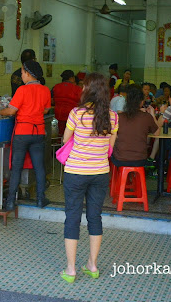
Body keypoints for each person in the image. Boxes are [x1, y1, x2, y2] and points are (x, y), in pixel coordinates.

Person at [60, 73, 118, 283]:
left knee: (72, 217)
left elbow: (66, 139)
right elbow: (111, 145)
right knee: (95, 217)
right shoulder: (112, 116)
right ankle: (92, 265)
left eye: (84, 86)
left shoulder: (76, 114)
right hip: (100, 172)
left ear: (89, 89)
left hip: (76, 172)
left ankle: (71, 269)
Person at [0, 59, 51, 209]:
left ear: (28, 74)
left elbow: (11, 111)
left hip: (22, 132)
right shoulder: (45, 90)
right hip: (38, 132)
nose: (21, 76)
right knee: (39, 166)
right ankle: (41, 199)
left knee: (16, 167)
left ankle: (10, 202)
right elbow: (46, 110)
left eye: (22, 73)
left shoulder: (22, 90)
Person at [112, 85, 159, 167]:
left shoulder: (119, 117)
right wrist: (152, 115)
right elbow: (157, 133)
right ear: (142, 102)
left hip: (120, 159)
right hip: (140, 160)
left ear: (126, 101)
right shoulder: (146, 117)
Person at [52, 70, 82, 136]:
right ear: (72, 78)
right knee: (70, 135)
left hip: (58, 115)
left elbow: (52, 101)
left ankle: (60, 145)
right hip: (72, 115)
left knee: (60, 134)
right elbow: (81, 102)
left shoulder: (56, 87)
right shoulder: (77, 89)